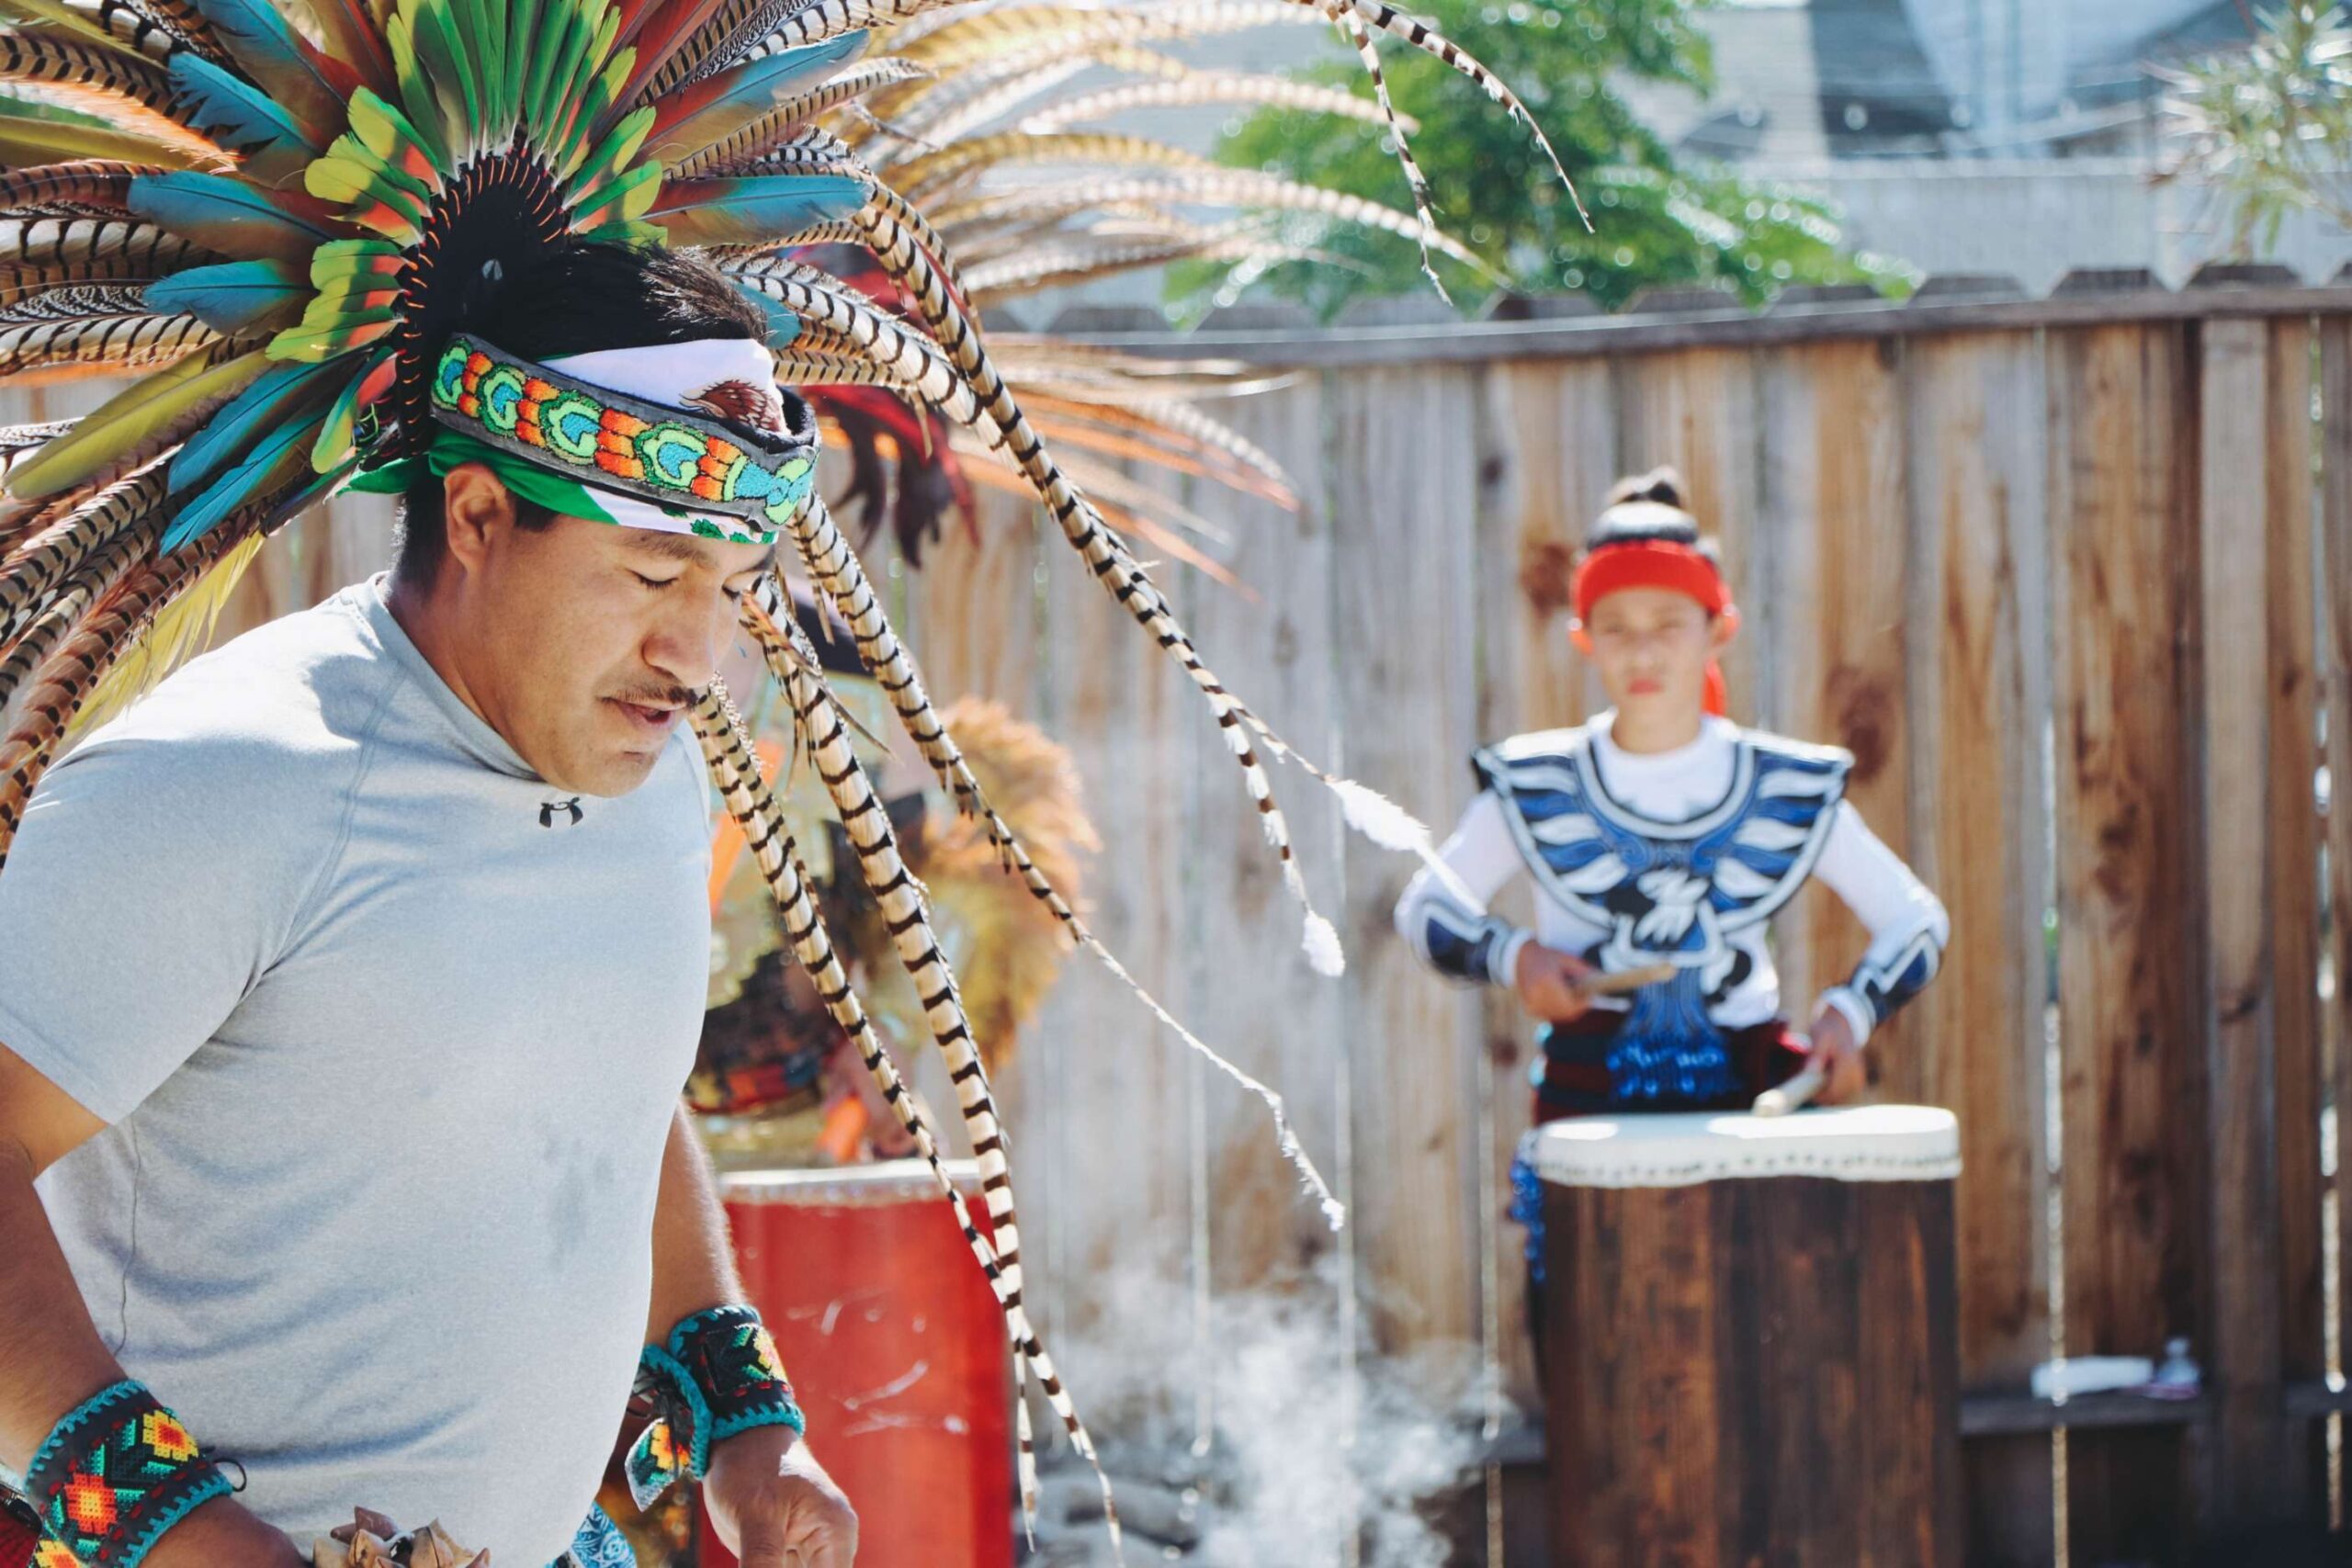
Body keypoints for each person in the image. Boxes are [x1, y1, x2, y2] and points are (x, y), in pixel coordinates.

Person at [0, 243, 857, 1568]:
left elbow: (605, 1084)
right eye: (652, 574)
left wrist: (743, 1414)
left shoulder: (647, 769)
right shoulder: (221, 781)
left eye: (730, 590)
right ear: (476, 514)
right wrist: (184, 1533)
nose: (697, 656)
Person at [1393, 468, 1950, 1325]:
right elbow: (1426, 908)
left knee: (1757, 1343)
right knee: (1598, 1342)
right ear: (1583, 639)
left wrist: (1851, 1014)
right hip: (1589, 1106)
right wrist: (1516, 956)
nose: (1643, 652)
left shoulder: (1783, 784)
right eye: (1616, 628)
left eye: (1668, 625)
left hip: (1750, 1104)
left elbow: (1916, 920)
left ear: (1718, 629)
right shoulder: (1537, 784)